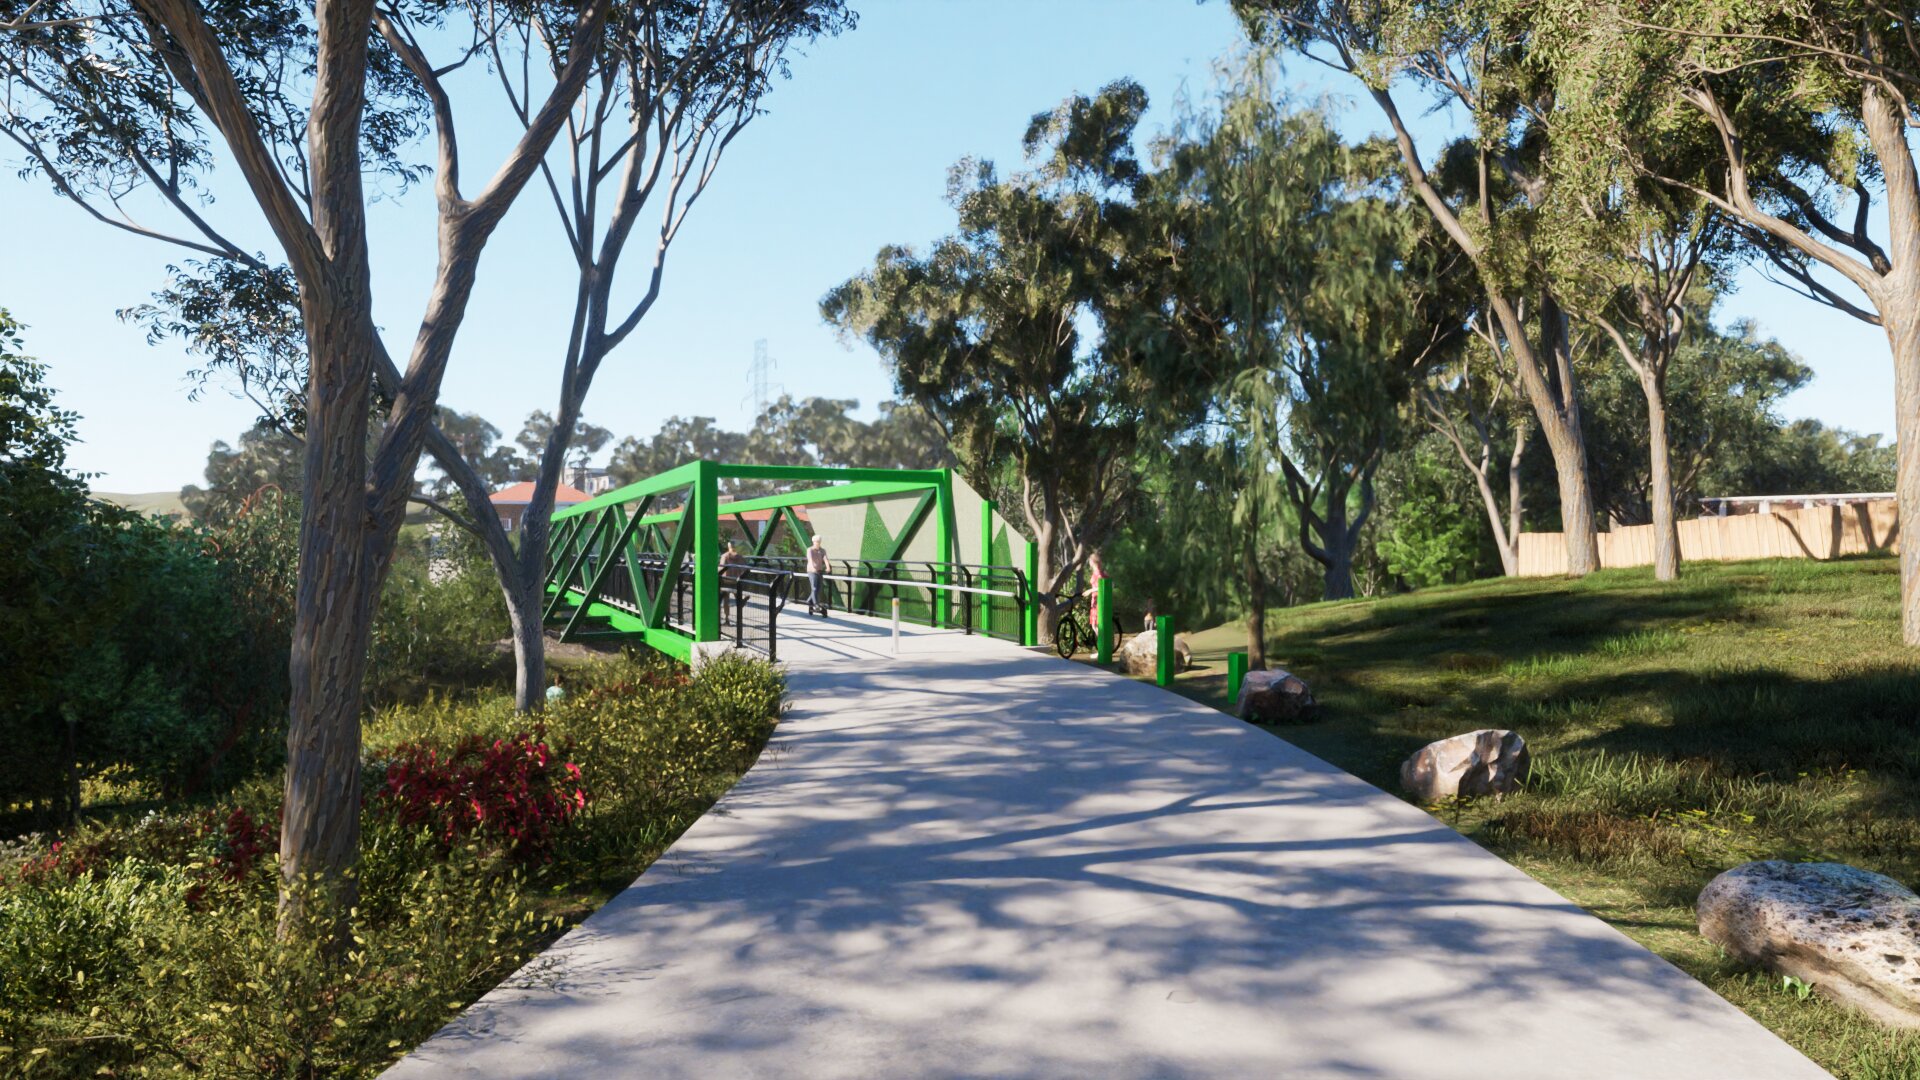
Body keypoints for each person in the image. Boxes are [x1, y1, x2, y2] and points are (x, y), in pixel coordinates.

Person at [805, 535, 829, 616]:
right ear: (813, 542)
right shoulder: (810, 550)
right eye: (816, 542)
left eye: (819, 542)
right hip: (811, 571)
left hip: (819, 571)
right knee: (814, 587)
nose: (818, 543)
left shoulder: (822, 550)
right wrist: (813, 567)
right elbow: (810, 560)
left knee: (818, 588)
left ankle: (809, 600)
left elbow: (825, 559)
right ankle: (816, 604)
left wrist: (828, 567)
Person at [1087, 550, 1108, 641]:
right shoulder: (1097, 572)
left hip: (1098, 601)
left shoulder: (1098, 573)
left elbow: (1102, 587)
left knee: (1097, 625)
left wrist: (1090, 591)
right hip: (1095, 601)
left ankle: (1102, 647)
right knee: (1095, 625)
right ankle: (1101, 646)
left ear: (1092, 562)